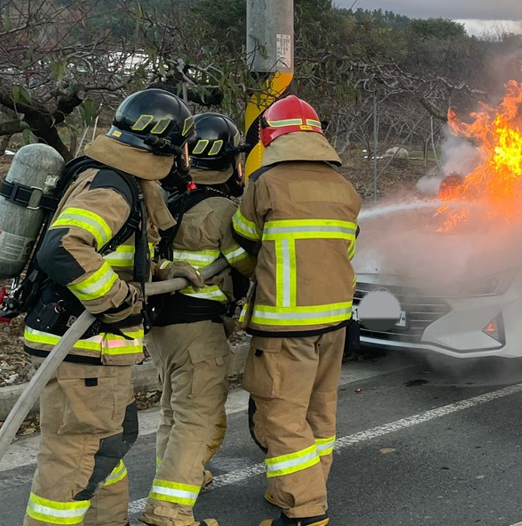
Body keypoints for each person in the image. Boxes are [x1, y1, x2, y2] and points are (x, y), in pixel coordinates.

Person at [23, 89, 204, 526]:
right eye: (183, 146)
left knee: (110, 447)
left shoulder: (116, 176)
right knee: (75, 463)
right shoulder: (113, 186)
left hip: (96, 352)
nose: (185, 158)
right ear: (164, 145)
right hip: (83, 348)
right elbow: (64, 248)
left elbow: (111, 249)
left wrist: (160, 271)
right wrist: (121, 301)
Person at [230, 95, 361, 526]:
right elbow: (346, 249)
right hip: (335, 323)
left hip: (284, 328)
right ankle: (305, 486)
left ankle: (305, 509)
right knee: (320, 410)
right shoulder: (345, 188)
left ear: (271, 137)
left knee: (282, 416)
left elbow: (243, 243)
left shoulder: (265, 184)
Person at [141, 114, 257, 526]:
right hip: (198, 329)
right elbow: (246, 264)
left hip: (160, 328)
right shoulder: (223, 209)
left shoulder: (166, 201)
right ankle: (170, 509)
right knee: (196, 416)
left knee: (174, 409)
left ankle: (178, 478)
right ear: (232, 161)